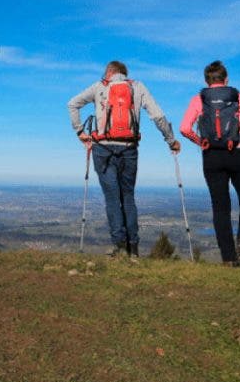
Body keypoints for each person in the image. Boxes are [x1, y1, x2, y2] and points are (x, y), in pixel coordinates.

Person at [68, 60, 181, 257]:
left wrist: (80, 132)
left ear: (109, 72)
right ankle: (134, 248)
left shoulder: (99, 87)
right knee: (127, 197)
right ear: (124, 74)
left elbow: (72, 104)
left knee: (112, 198)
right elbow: (158, 116)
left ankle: (119, 247)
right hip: (129, 148)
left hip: (102, 149)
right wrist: (171, 140)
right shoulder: (137, 87)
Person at [179, 60, 240, 267]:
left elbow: (184, 128)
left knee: (220, 207)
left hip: (212, 156)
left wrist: (201, 142)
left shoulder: (199, 99)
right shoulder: (238, 96)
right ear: (226, 79)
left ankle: (228, 258)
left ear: (207, 80)